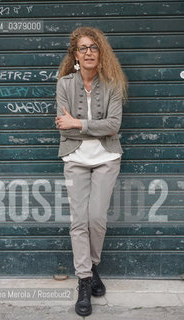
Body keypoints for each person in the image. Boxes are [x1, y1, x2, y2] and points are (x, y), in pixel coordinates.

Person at [55, 26, 127, 317]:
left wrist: (79, 125)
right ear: (75, 54)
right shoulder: (64, 84)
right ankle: (84, 279)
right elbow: (62, 125)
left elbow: (113, 125)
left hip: (107, 157)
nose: (88, 53)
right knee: (78, 221)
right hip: (74, 158)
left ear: (101, 53)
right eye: (83, 48)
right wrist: (74, 126)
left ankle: (92, 264)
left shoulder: (112, 84)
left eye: (93, 48)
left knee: (96, 219)